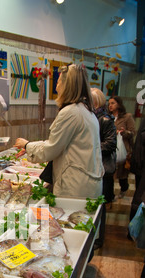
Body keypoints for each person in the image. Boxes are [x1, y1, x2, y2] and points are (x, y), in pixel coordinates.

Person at [14, 63, 104, 198]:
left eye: (58, 82)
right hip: (87, 183)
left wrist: (27, 145)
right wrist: (31, 147)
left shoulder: (71, 112)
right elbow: (60, 143)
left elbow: (51, 148)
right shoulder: (86, 110)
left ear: (67, 85)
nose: (56, 86)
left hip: (75, 186)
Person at [91, 88, 117, 248]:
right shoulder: (92, 117)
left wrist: (90, 147)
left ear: (95, 102)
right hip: (95, 166)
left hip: (103, 168)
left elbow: (110, 144)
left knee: (101, 204)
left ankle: (99, 239)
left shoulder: (105, 119)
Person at [108, 95, 136, 198]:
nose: (110, 105)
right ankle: (110, 194)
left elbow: (133, 132)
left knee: (122, 174)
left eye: (113, 103)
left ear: (119, 104)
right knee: (111, 173)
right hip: (111, 148)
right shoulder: (108, 117)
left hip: (123, 148)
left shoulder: (127, 117)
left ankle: (124, 189)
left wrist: (124, 132)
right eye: (109, 103)